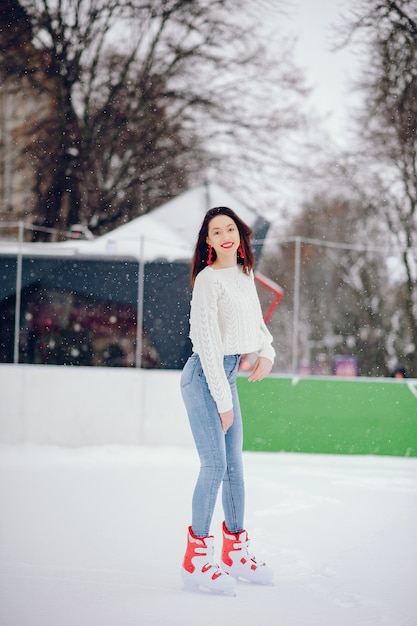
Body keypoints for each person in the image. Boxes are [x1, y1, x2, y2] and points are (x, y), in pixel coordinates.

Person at [180, 206, 275, 595]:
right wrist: (223, 402)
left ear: (240, 236)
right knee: (215, 464)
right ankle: (196, 557)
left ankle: (235, 549)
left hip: (228, 373)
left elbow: (255, 323)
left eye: (230, 228)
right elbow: (206, 345)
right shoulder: (207, 280)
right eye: (216, 230)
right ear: (207, 240)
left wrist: (267, 350)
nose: (225, 235)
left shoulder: (244, 274)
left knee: (234, 466)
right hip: (204, 376)